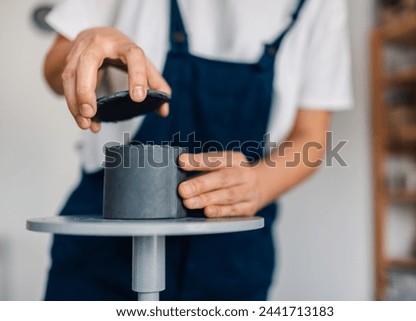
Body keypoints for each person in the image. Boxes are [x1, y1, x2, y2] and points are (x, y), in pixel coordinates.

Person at [43, 0, 352, 300]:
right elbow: (53, 67)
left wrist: (259, 183)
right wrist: (83, 49)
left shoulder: (321, 4)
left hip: (231, 259)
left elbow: (311, 139)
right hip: (100, 251)